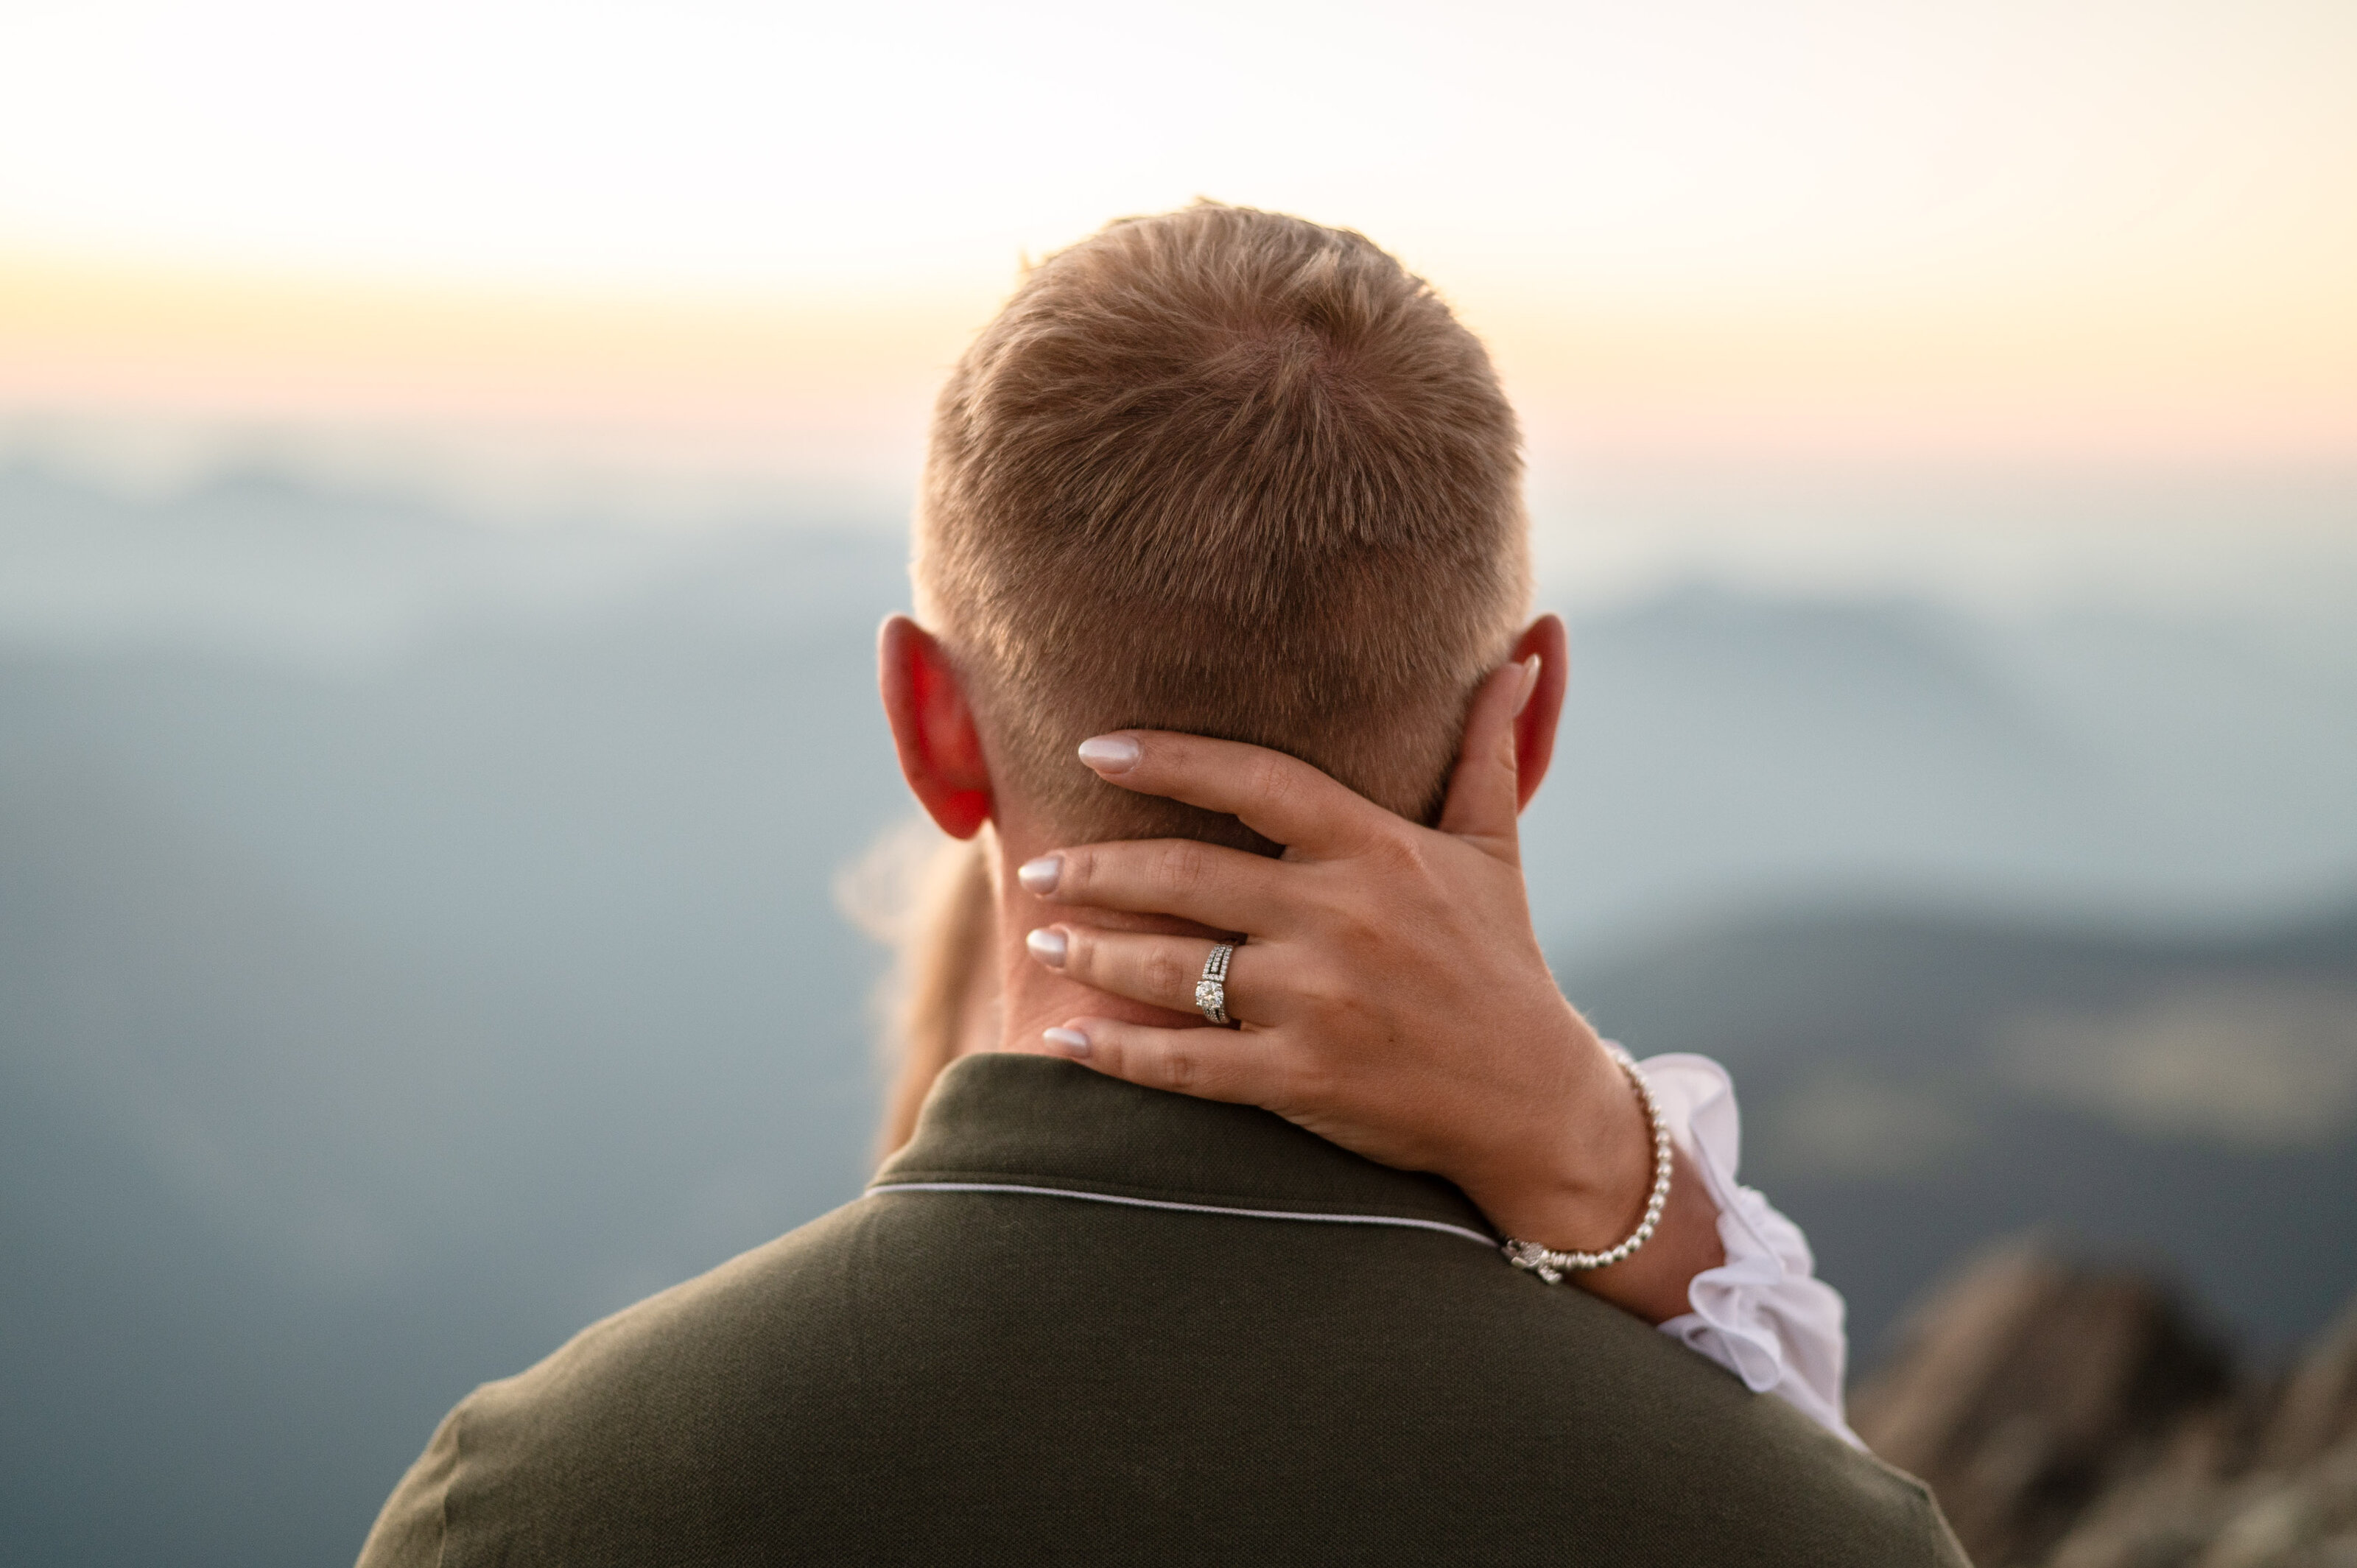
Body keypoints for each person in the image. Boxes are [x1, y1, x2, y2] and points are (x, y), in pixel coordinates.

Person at [358, 203, 1968, 1566]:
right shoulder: (1808, 1538)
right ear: (1526, 723)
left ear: (932, 728)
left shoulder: (535, 1505)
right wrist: (1597, 1149)